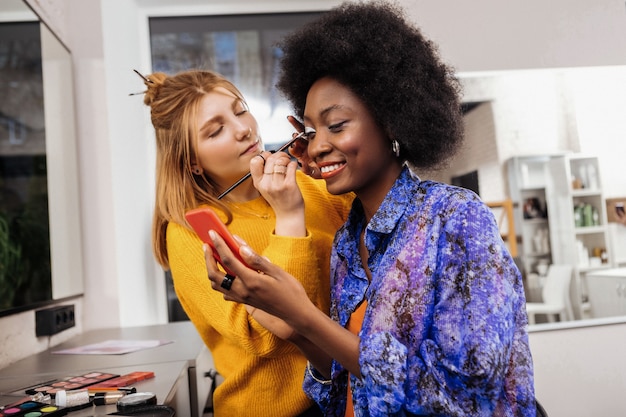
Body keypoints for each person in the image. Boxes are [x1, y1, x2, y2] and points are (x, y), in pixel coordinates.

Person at [203, 1, 537, 416]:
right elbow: (346, 384)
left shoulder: (454, 217)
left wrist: (305, 316)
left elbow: (467, 393)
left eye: (337, 125)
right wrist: (294, 328)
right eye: (311, 130)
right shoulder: (347, 242)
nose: (319, 144)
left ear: (392, 120)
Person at [140, 69, 353, 417]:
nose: (243, 129)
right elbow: (266, 336)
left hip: (356, 395)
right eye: (216, 130)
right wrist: (288, 216)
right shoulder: (189, 233)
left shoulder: (312, 186)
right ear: (192, 161)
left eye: (240, 110)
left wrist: (337, 169)